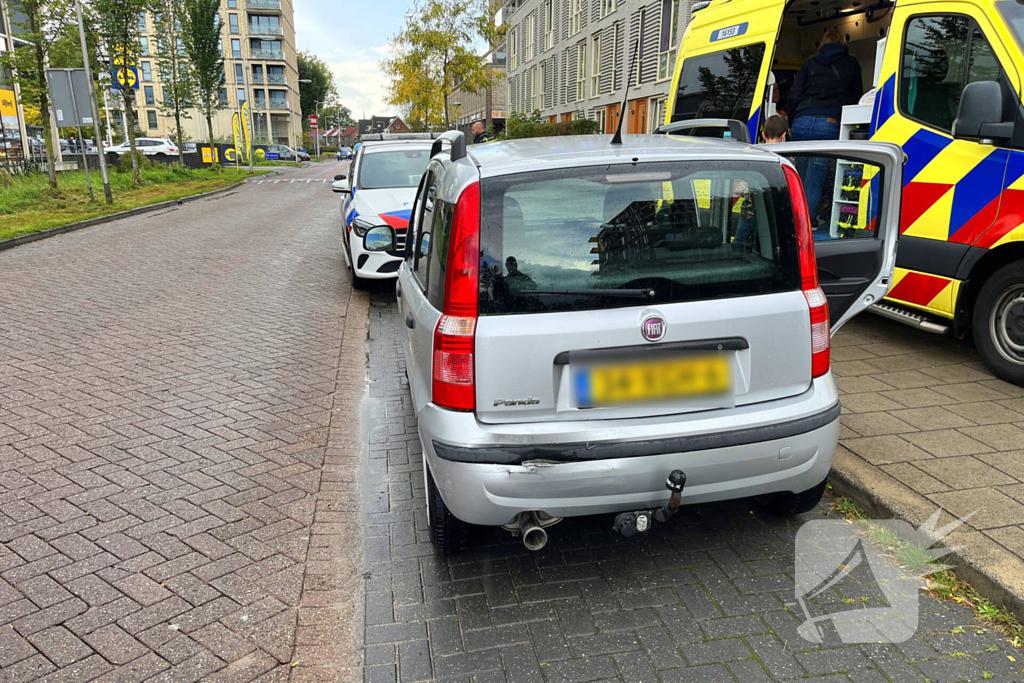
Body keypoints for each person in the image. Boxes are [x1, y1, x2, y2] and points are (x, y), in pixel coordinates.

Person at [787, 29, 863, 226]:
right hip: (829, 123)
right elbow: (856, 96)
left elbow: (794, 95)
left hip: (802, 120)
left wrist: (791, 120)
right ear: (842, 42)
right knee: (815, 180)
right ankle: (806, 225)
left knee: (796, 176)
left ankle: (791, 222)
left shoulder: (810, 63)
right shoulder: (851, 63)